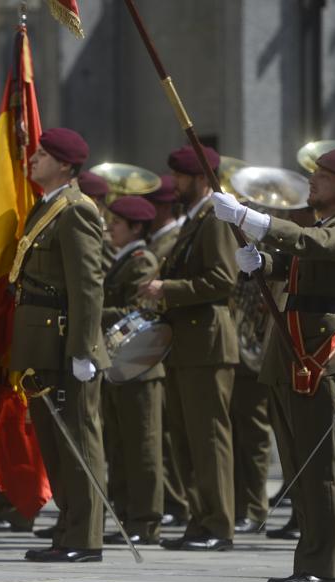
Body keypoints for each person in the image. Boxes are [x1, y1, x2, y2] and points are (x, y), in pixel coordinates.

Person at [214, 148, 335, 582]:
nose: (313, 181)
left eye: (323, 176)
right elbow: (297, 261)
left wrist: (253, 220)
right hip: (290, 356)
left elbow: (313, 246)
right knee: (299, 467)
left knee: (322, 469)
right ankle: (310, 558)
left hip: (319, 358)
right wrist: (263, 262)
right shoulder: (321, 228)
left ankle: (325, 567)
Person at [12, 128, 109, 564]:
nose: (34, 159)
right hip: (41, 341)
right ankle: (69, 527)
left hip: (65, 342)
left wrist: (84, 349)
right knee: (55, 442)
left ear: (67, 166)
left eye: (45, 155)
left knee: (78, 442)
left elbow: (87, 286)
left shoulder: (76, 211)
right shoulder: (46, 207)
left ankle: (86, 537)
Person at [139, 145, 239, 552]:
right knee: (186, 439)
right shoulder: (195, 218)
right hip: (187, 342)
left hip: (208, 341)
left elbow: (223, 279)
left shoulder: (215, 216)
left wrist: (167, 289)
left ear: (200, 178)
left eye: (181, 177)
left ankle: (218, 524)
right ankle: (200, 519)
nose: (174, 184)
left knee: (209, 439)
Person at [100, 195, 165, 545]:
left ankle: (146, 520)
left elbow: (136, 312)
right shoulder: (122, 259)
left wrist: (94, 312)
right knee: (122, 445)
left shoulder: (142, 261)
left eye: (117, 223)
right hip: (120, 364)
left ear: (136, 228)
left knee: (143, 445)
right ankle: (127, 515)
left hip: (140, 365)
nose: (110, 228)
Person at [143, 174, 189, 528]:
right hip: (163, 344)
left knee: (169, 432)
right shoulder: (157, 239)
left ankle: (176, 500)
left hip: (175, 340)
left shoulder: (173, 238)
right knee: (168, 431)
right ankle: (173, 499)